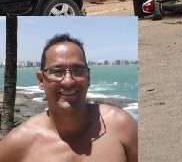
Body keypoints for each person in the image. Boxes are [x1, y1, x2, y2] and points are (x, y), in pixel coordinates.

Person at [0, 34, 138, 162]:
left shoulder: (121, 126)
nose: (68, 81)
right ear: (41, 80)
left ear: (88, 77)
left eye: (78, 71)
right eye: (57, 71)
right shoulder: (17, 144)